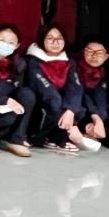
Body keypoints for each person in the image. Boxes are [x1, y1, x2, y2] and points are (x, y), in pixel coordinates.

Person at [25, 25, 97, 153]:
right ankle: (40, 137)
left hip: (58, 101)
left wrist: (70, 110)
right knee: (52, 105)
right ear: (42, 40)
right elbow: (44, 88)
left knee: (78, 107)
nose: (55, 42)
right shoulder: (33, 60)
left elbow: (75, 87)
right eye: (50, 38)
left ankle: (56, 138)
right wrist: (71, 122)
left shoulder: (68, 61)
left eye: (59, 38)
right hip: (41, 100)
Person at [0, 24, 34, 158]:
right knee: (8, 117)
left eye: (11, 42)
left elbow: (16, 86)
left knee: (27, 94)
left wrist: (6, 99)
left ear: (17, 45)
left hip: (6, 104)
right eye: (2, 40)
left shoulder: (19, 63)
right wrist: (3, 99)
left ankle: (17, 138)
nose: (5, 44)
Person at [74, 38, 109, 151]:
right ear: (82, 52)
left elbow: (101, 97)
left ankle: (89, 132)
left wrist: (100, 118)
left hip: (90, 107)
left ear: (106, 56)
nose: (94, 56)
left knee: (105, 111)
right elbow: (80, 92)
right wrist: (96, 118)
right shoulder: (74, 67)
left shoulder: (103, 72)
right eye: (90, 51)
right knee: (79, 108)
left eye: (99, 52)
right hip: (74, 101)